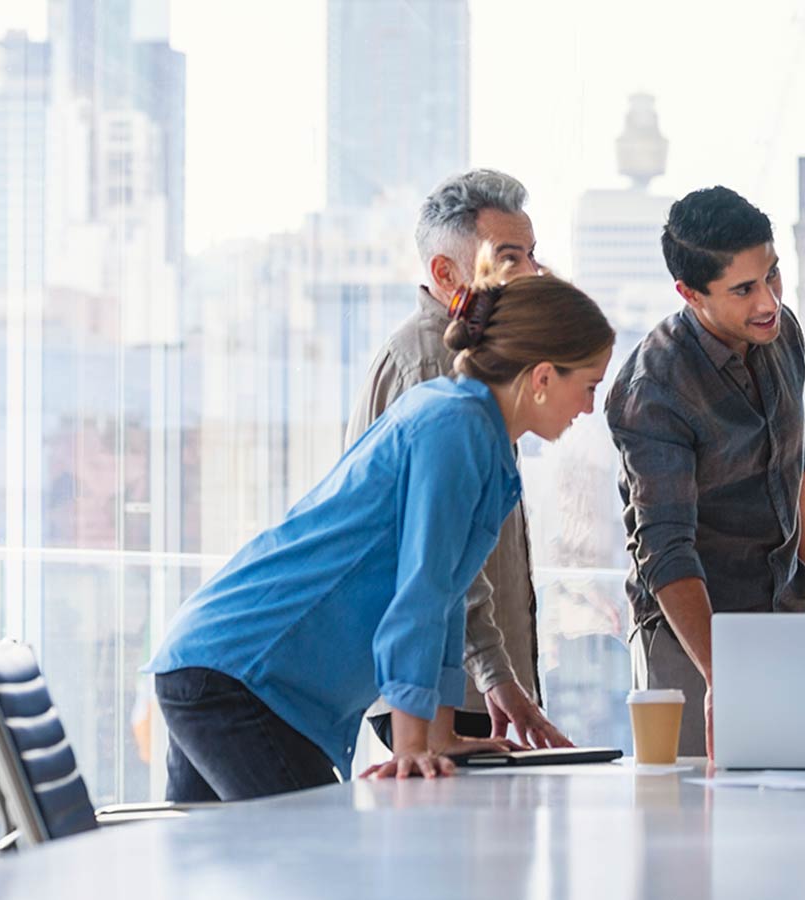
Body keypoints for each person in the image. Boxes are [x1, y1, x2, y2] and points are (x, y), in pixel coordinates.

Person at [145, 261, 615, 801]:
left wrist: (438, 736)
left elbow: (446, 601)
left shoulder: (474, 430)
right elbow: (419, 593)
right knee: (315, 865)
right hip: (241, 674)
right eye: (588, 385)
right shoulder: (454, 429)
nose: (589, 406)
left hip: (224, 664)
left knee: (215, 868)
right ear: (542, 377)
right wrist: (411, 743)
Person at [345, 169, 570, 752]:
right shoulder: (429, 367)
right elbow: (430, 552)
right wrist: (495, 673)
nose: (534, 275)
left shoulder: (476, 358)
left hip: (472, 685)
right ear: (445, 273)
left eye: (533, 256)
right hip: (445, 691)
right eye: (511, 258)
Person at [606, 186, 805, 759]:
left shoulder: (783, 335)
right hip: (693, 632)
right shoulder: (654, 387)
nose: (768, 303)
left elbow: (799, 450)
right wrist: (720, 674)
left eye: (772, 276)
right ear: (689, 292)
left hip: (791, 603)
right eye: (743, 289)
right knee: (694, 828)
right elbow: (666, 548)